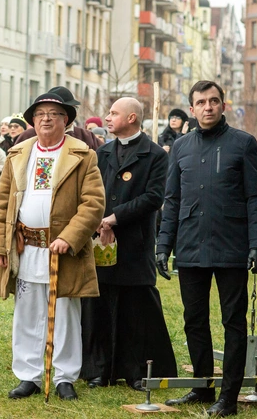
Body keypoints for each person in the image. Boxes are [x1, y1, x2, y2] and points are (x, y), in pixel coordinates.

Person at [157, 80, 257, 417]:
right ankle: (202, 388)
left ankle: (229, 398)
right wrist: (164, 245)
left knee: (233, 321)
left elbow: (254, 198)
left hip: (232, 245)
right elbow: (172, 200)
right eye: (201, 102)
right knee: (194, 320)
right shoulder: (180, 147)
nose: (208, 107)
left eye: (214, 101)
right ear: (191, 109)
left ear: (223, 105)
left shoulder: (243, 144)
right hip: (190, 244)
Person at [0, 92, 105, 401]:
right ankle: (29, 376)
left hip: (63, 251)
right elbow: (1, 204)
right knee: (27, 312)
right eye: (40, 114)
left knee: (65, 313)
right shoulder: (18, 153)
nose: (46, 119)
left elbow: (93, 204)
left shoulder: (82, 154)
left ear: (65, 120)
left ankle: (64, 376)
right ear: (33, 120)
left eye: (54, 113)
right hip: (25, 247)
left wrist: (70, 236)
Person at [81, 98, 177, 390]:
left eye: (113, 113)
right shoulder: (103, 151)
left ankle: (138, 370)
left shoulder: (156, 155)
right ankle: (99, 369)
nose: (107, 118)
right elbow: (93, 191)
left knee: (136, 308)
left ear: (132, 117)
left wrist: (115, 218)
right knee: (99, 305)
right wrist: (99, 221)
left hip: (135, 242)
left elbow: (153, 197)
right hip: (102, 240)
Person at [15, 86, 102, 151]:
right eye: (41, 113)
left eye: (72, 109)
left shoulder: (86, 137)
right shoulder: (27, 137)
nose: (46, 118)